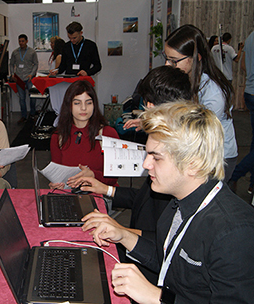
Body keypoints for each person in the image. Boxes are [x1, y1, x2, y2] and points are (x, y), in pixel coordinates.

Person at [83, 101, 254, 303]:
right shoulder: (178, 202)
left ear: (194, 164)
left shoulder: (233, 232)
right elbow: (169, 261)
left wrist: (157, 297)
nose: (146, 165)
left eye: (156, 158)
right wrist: (123, 236)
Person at [74, 66, 192, 284]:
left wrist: (122, 230)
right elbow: (146, 199)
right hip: (138, 252)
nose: (147, 165)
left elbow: (166, 240)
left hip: (152, 266)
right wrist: (106, 189)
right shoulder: (166, 145)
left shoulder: (178, 162)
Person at [163, 24, 237, 181]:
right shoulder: (189, 79)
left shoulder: (213, 92)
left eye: (174, 61)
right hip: (200, 151)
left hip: (217, 157)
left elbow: (195, 129)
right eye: (167, 59)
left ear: (196, 58)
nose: (167, 65)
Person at [49, 80, 119, 189]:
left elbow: (113, 178)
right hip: (71, 194)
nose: (83, 108)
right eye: (77, 103)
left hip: (100, 195)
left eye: (88, 102)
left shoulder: (108, 134)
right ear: (69, 105)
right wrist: (56, 184)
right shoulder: (58, 136)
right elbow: (57, 175)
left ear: (94, 104)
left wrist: (93, 175)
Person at [229, 30, 254, 196]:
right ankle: (234, 175)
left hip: (250, 92)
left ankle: (252, 184)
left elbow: (243, 66)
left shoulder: (250, 36)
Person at [9, 34, 38, 123]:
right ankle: (23, 116)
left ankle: (32, 114)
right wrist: (12, 74)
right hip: (19, 78)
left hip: (29, 78)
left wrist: (32, 74)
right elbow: (11, 64)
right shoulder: (15, 52)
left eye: (23, 41)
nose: (21, 43)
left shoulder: (32, 52)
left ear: (26, 41)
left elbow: (36, 64)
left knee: (32, 96)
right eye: (20, 41)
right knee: (22, 98)